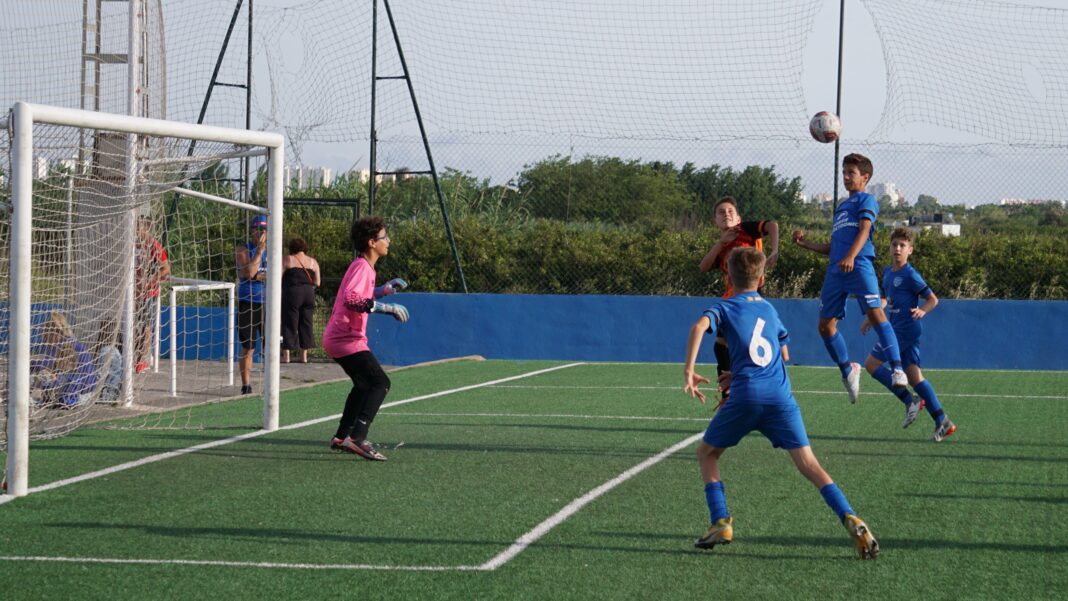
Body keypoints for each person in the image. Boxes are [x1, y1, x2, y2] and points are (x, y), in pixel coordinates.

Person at [683, 247, 878, 559]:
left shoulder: (725, 305)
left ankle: (720, 521)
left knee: (707, 453)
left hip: (746, 396)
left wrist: (690, 371)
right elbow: (782, 355)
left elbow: (698, 328)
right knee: (810, 465)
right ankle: (851, 517)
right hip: (780, 397)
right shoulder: (771, 311)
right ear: (762, 278)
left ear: (729, 277)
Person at [792, 153, 906, 403]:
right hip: (836, 269)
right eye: (843, 172)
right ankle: (848, 370)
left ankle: (898, 368)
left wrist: (852, 256)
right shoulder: (842, 207)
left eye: (851, 173)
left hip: (859, 264)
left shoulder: (867, 200)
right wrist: (805, 244)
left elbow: (865, 229)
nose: (845, 177)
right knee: (825, 327)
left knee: (876, 316)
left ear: (865, 177)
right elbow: (834, 247)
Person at [322, 216, 409, 461]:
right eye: (384, 237)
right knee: (381, 383)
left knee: (362, 386)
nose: (388, 241)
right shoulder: (362, 267)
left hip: (340, 338)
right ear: (372, 242)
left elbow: (361, 293)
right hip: (345, 338)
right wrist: (386, 307)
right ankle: (358, 437)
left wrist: (383, 289)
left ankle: (341, 437)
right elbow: (352, 299)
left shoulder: (363, 266)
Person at [860, 227, 957, 442]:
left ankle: (908, 400)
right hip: (899, 329)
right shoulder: (887, 273)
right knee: (914, 377)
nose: (897, 249)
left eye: (902, 246)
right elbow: (885, 299)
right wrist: (872, 316)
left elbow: (932, 299)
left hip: (904, 329)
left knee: (871, 365)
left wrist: (923, 310)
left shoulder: (910, 274)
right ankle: (942, 421)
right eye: (894, 244)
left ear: (910, 250)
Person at [698, 196, 780, 406]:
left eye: (730, 212)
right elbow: (703, 267)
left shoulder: (747, 230)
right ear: (714, 222)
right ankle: (729, 395)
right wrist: (720, 243)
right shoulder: (722, 246)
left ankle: (748, 392)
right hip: (731, 302)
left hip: (750, 300)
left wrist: (774, 250)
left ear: (738, 217)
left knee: (740, 347)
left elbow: (772, 225)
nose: (726, 214)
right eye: (721, 212)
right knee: (723, 346)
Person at [31, 311, 98, 408]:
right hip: (80, 390)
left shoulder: (67, 345)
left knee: (42, 375)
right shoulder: (62, 343)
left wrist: (31, 365)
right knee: (42, 374)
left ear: (56, 332)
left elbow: (46, 366)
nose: (44, 338)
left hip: (80, 392)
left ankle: (26, 397)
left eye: (45, 334)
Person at [235, 214, 268, 395]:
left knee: (269, 344)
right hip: (248, 302)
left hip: (266, 303)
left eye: (265, 230)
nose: (262, 234)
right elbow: (248, 273)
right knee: (249, 346)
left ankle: (269, 382)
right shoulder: (243, 250)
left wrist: (257, 274)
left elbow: (275, 275)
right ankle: (246, 385)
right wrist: (259, 252)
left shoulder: (274, 250)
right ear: (252, 231)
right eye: (259, 229)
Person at [134, 215, 170, 374]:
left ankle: (143, 359)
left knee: (146, 326)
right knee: (134, 326)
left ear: (146, 229)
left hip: (149, 292)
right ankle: (134, 356)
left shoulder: (154, 246)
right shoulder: (134, 245)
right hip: (134, 293)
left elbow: (166, 269)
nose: (135, 230)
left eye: (138, 227)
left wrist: (151, 280)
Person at [281, 237, 321, 364]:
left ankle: (286, 355)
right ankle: (303, 356)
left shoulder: (288, 259)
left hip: (293, 292)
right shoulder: (313, 262)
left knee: (289, 321)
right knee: (306, 322)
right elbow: (318, 282)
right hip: (309, 293)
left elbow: (278, 276)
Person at [95, 319, 123, 403]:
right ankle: (110, 395)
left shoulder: (104, 350)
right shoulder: (117, 352)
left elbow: (100, 373)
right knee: (115, 375)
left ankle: (105, 396)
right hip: (114, 351)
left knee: (103, 374)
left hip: (108, 351)